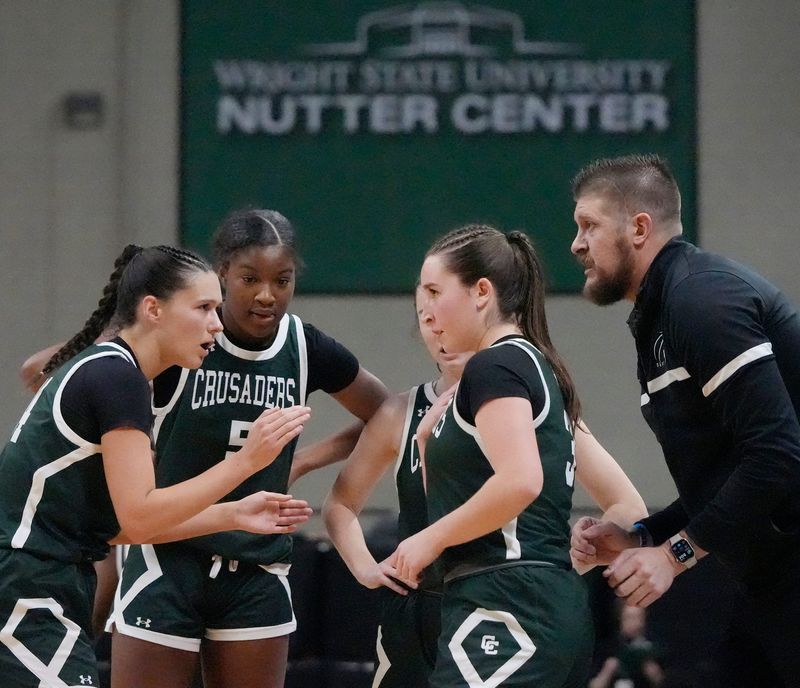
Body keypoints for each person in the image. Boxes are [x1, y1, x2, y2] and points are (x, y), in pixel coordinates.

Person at [0, 245, 312, 688]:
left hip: (44, 581)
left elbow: (120, 528)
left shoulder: (117, 373)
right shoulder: (117, 378)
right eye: (203, 307)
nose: (217, 324)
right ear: (153, 310)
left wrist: (232, 514)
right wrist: (245, 463)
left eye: (217, 309)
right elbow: (142, 518)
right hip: (24, 582)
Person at [108, 209, 388, 688]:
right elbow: (85, 382)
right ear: (221, 275)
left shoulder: (305, 347)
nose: (266, 295)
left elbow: (387, 414)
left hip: (255, 567)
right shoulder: (182, 341)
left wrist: (299, 464)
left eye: (282, 280)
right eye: (249, 279)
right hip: (168, 556)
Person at [324, 285, 646, 688]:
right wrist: (365, 568)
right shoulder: (402, 412)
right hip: (417, 608)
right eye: (425, 319)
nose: (438, 328)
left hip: (499, 604)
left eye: (443, 313)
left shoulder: (531, 402)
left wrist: (568, 559)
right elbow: (340, 502)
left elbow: (629, 507)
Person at [568, 153, 800, 687]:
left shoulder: (701, 299)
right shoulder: (661, 315)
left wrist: (674, 556)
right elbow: (724, 476)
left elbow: (777, 452)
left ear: (640, 228)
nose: (577, 244)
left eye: (589, 226)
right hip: (766, 585)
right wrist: (641, 536)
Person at [386, 224, 631, 687]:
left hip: (507, 601)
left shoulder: (497, 363)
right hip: (522, 599)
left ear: (482, 292)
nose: (428, 312)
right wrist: (425, 443)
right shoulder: (531, 365)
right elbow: (471, 502)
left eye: (436, 292)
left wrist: (428, 539)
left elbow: (521, 481)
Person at [588, 604, 664, 688]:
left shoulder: (653, 649)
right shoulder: (607, 648)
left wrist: (655, 674)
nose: (635, 623)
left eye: (639, 617)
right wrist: (607, 671)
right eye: (630, 617)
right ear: (620, 618)